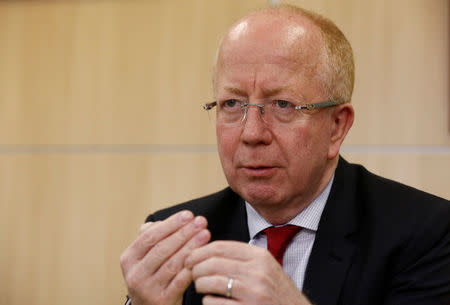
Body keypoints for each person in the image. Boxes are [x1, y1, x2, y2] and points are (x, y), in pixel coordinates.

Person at [120, 4, 450, 305]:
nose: (251, 134)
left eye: (282, 105)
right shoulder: (175, 239)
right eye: (232, 104)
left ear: (336, 126)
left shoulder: (427, 235)